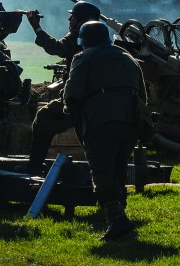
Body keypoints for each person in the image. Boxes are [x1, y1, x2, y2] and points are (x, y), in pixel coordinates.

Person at [63, 20, 148, 240]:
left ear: (85, 42)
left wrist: (72, 111)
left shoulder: (83, 58)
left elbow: (72, 94)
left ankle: (116, 219)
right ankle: (120, 210)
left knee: (100, 172)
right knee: (118, 168)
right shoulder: (128, 58)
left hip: (101, 119)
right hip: (131, 120)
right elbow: (143, 96)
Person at [24, 0, 102, 175]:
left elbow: (57, 48)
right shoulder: (101, 37)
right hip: (99, 96)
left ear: (80, 20)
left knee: (43, 118)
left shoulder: (78, 35)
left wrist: (36, 27)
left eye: (73, 16)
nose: (70, 20)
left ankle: (34, 168)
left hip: (78, 97)